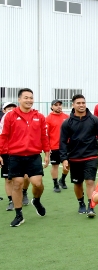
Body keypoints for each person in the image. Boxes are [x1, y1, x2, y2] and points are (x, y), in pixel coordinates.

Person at [0, 89, 51, 227]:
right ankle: (19, 214)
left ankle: (36, 200)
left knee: (37, 183)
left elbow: (44, 136)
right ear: (19, 100)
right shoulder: (10, 116)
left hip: (34, 156)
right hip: (15, 156)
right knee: (17, 184)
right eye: (26, 98)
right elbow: (3, 135)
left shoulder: (39, 116)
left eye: (31, 98)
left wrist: (46, 153)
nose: (29, 100)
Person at [59, 94, 98, 217]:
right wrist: (64, 158)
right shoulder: (67, 123)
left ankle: (91, 206)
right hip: (74, 158)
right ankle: (81, 203)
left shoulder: (94, 120)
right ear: (73, 105)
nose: (81, 105)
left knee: (90, 182)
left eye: (83, 103)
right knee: (77, 183)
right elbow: (63, 142)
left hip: (91, 156)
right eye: (78, 103)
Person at [45, 99, 70, 193]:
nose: (58, 106)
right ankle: (55, 184)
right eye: (56, 105)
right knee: (55, 166)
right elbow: (46, 134)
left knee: (68, 165)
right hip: (54, 147)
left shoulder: (67, 117)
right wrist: (48, 148)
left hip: (67, 146)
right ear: (52, 107)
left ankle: (62, 179)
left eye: (60, 104)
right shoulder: (48, 119)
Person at [2, 102, 17, 210]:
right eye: (8, 108)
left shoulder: (19, 121)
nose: (11, 109)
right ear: (4, 110)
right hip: (5, 153)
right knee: (8, 179)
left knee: (21, 178)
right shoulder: (2, 123)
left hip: (18, 153)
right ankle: (11, 200)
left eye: (13, 107)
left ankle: (22, 194)